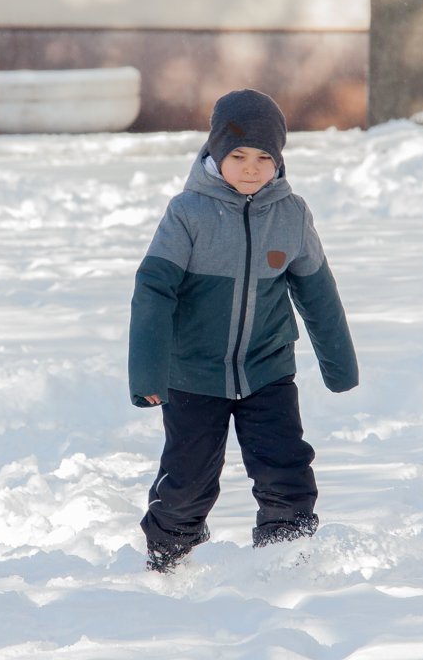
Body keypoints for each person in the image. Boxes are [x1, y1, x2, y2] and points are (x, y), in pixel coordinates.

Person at [127, 88, 358, 573]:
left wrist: (339, 365)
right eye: (238, 155)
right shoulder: (188, 213)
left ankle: (286, 554)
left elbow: (317, 291)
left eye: (264, 157)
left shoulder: (291, 215)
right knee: (188, 481)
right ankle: (169, 559)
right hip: (192, 373)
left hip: (267, 369)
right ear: (214, 153)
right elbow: (153, 291)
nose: (251, 168)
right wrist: (148, 372)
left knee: (285, 468)